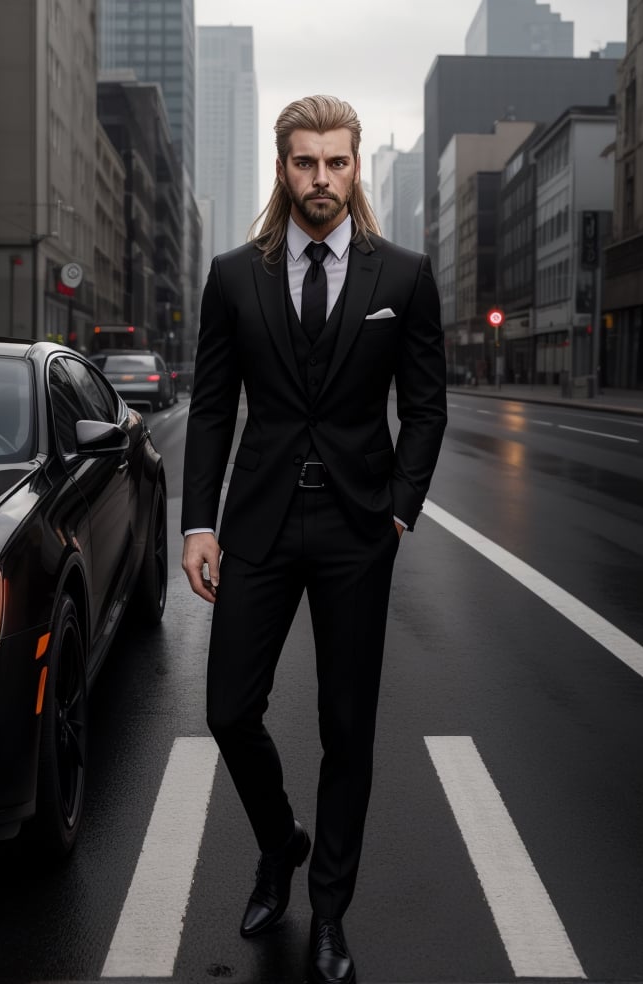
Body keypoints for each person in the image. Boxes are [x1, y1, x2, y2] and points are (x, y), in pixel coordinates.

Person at [182, 94, 447, 984]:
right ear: (283, 167)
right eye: (305, 163)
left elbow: (426, 406)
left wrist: (400, 509)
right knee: (227, 710)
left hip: (354, 528)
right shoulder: (232, 275)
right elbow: (214, 407)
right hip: (257, 522)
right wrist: (197, 523)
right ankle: (280, 843)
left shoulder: (402, 277)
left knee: (348, 728)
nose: (321, 179)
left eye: (336, 163)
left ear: (355, 166)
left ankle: (329, 912)